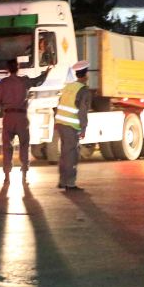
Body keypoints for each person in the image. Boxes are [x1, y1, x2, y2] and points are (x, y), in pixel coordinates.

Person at [0, 58, 52, 184]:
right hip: (21, 117)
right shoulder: (24, 81)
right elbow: (37, 82)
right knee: (24, 146)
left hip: (8, 117)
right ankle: (24, 176)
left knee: (7, 147)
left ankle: (7, 177)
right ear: (18, 68)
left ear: (7, 69)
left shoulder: (4, 83)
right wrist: (46, 72)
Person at [54, 60, 92, 192]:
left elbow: (59, 104)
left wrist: (56, 122)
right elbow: (82, 111)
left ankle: (62, 181)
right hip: (71, 125)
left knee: (64, 153)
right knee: (71, 155)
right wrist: (83, 129)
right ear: (85, 75)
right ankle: (69, 183)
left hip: (61, 124)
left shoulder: (68, 87)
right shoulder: (83, 90)